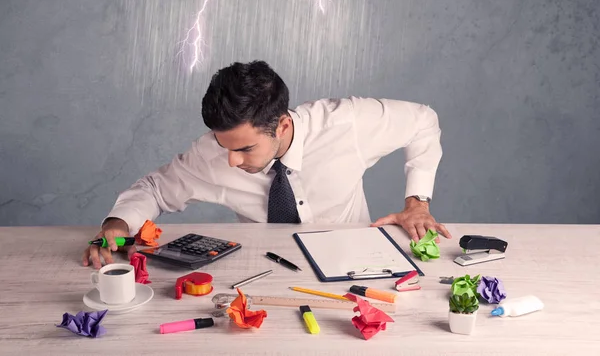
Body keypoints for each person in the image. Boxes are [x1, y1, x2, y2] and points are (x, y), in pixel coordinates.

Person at [83, 60, 451, 268]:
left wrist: (417, 203)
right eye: (223, 145)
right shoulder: (214, 154)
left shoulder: (347, 123)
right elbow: (154, 190)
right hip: (266, 270)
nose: (230, 159)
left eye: (244, 148)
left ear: (283, 125)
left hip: (355, 264)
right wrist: (117, 225)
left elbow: (423, 121)